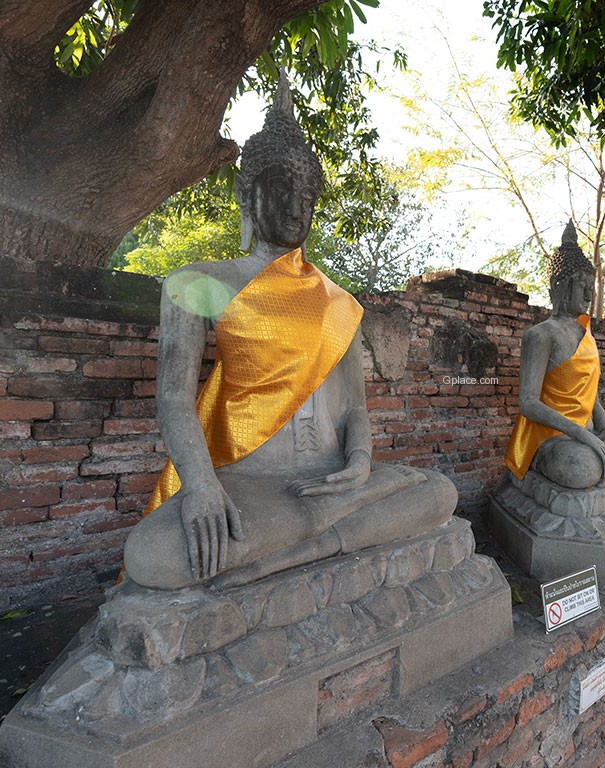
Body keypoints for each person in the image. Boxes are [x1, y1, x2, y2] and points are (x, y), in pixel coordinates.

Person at [123, 74, 454, 590]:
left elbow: (356, 409)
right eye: (282, 188)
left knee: (439, 492)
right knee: (154, 553)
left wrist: (361, 463)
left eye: (307, 193)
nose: (297, 206)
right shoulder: (198, 283)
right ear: (248, 192)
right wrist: (203, 488)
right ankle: (327, 534)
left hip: (334, 481)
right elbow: (173, 400)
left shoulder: (340, 302)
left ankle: (313, 543)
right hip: (249, 483)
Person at [505, 221, 605, 490]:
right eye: (581, 285)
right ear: (559, 287)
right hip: (553, 438)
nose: (588, 294)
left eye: (591, 286)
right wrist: (582, 435)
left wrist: (604, 428)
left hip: (590, 434)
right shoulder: (541, 334)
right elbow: (528, 403)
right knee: (582, 469)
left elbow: (587, 392)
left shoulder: (586, 333)